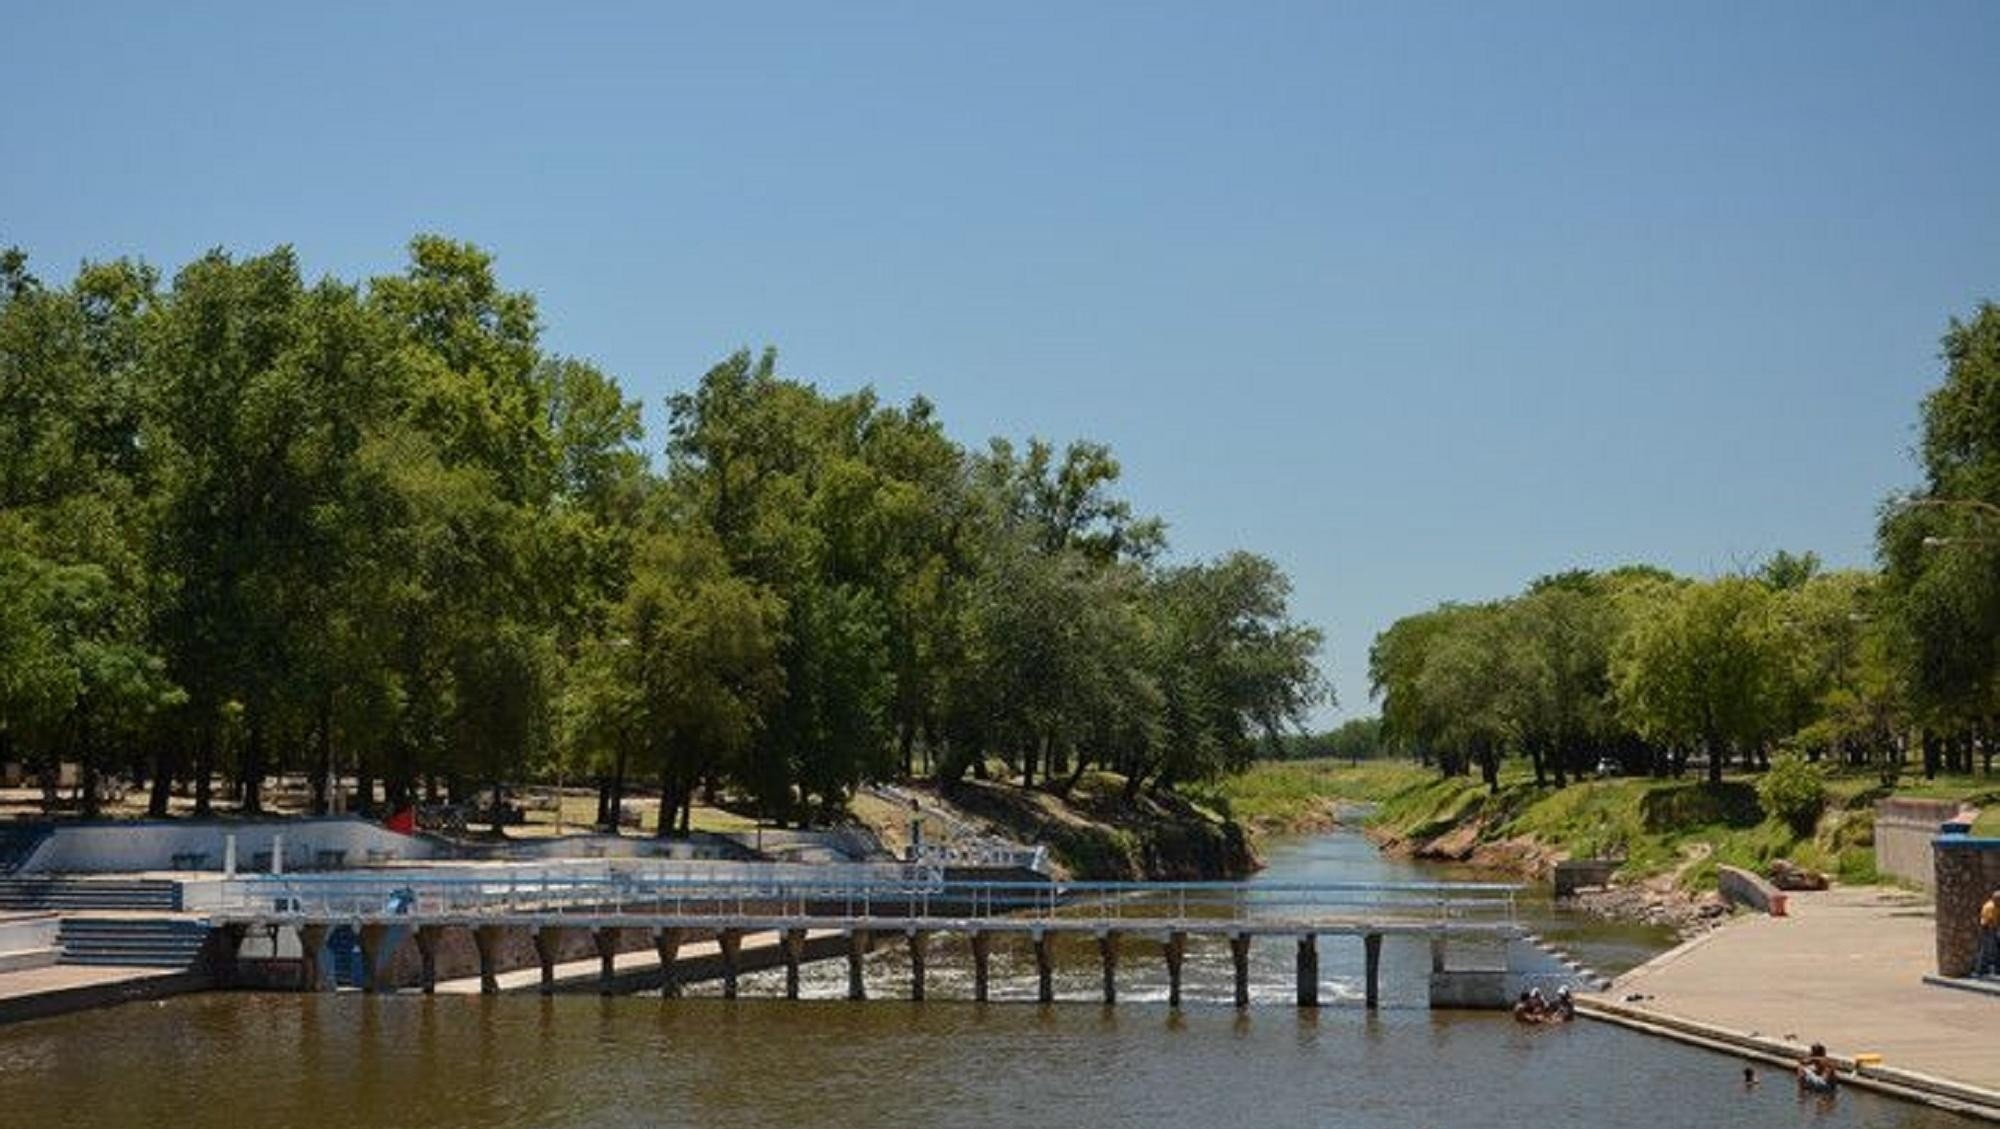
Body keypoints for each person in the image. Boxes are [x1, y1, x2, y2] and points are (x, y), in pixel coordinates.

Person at [1978, 890, 1999, 977]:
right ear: (1994, 899)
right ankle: (1981, 970)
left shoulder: (1997, 906)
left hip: (1994, 928)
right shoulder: (1990, 907)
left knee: (1995, 950)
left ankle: (1996, 969)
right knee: (1986, 950)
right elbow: (1990, 921)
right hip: (1987, 928)